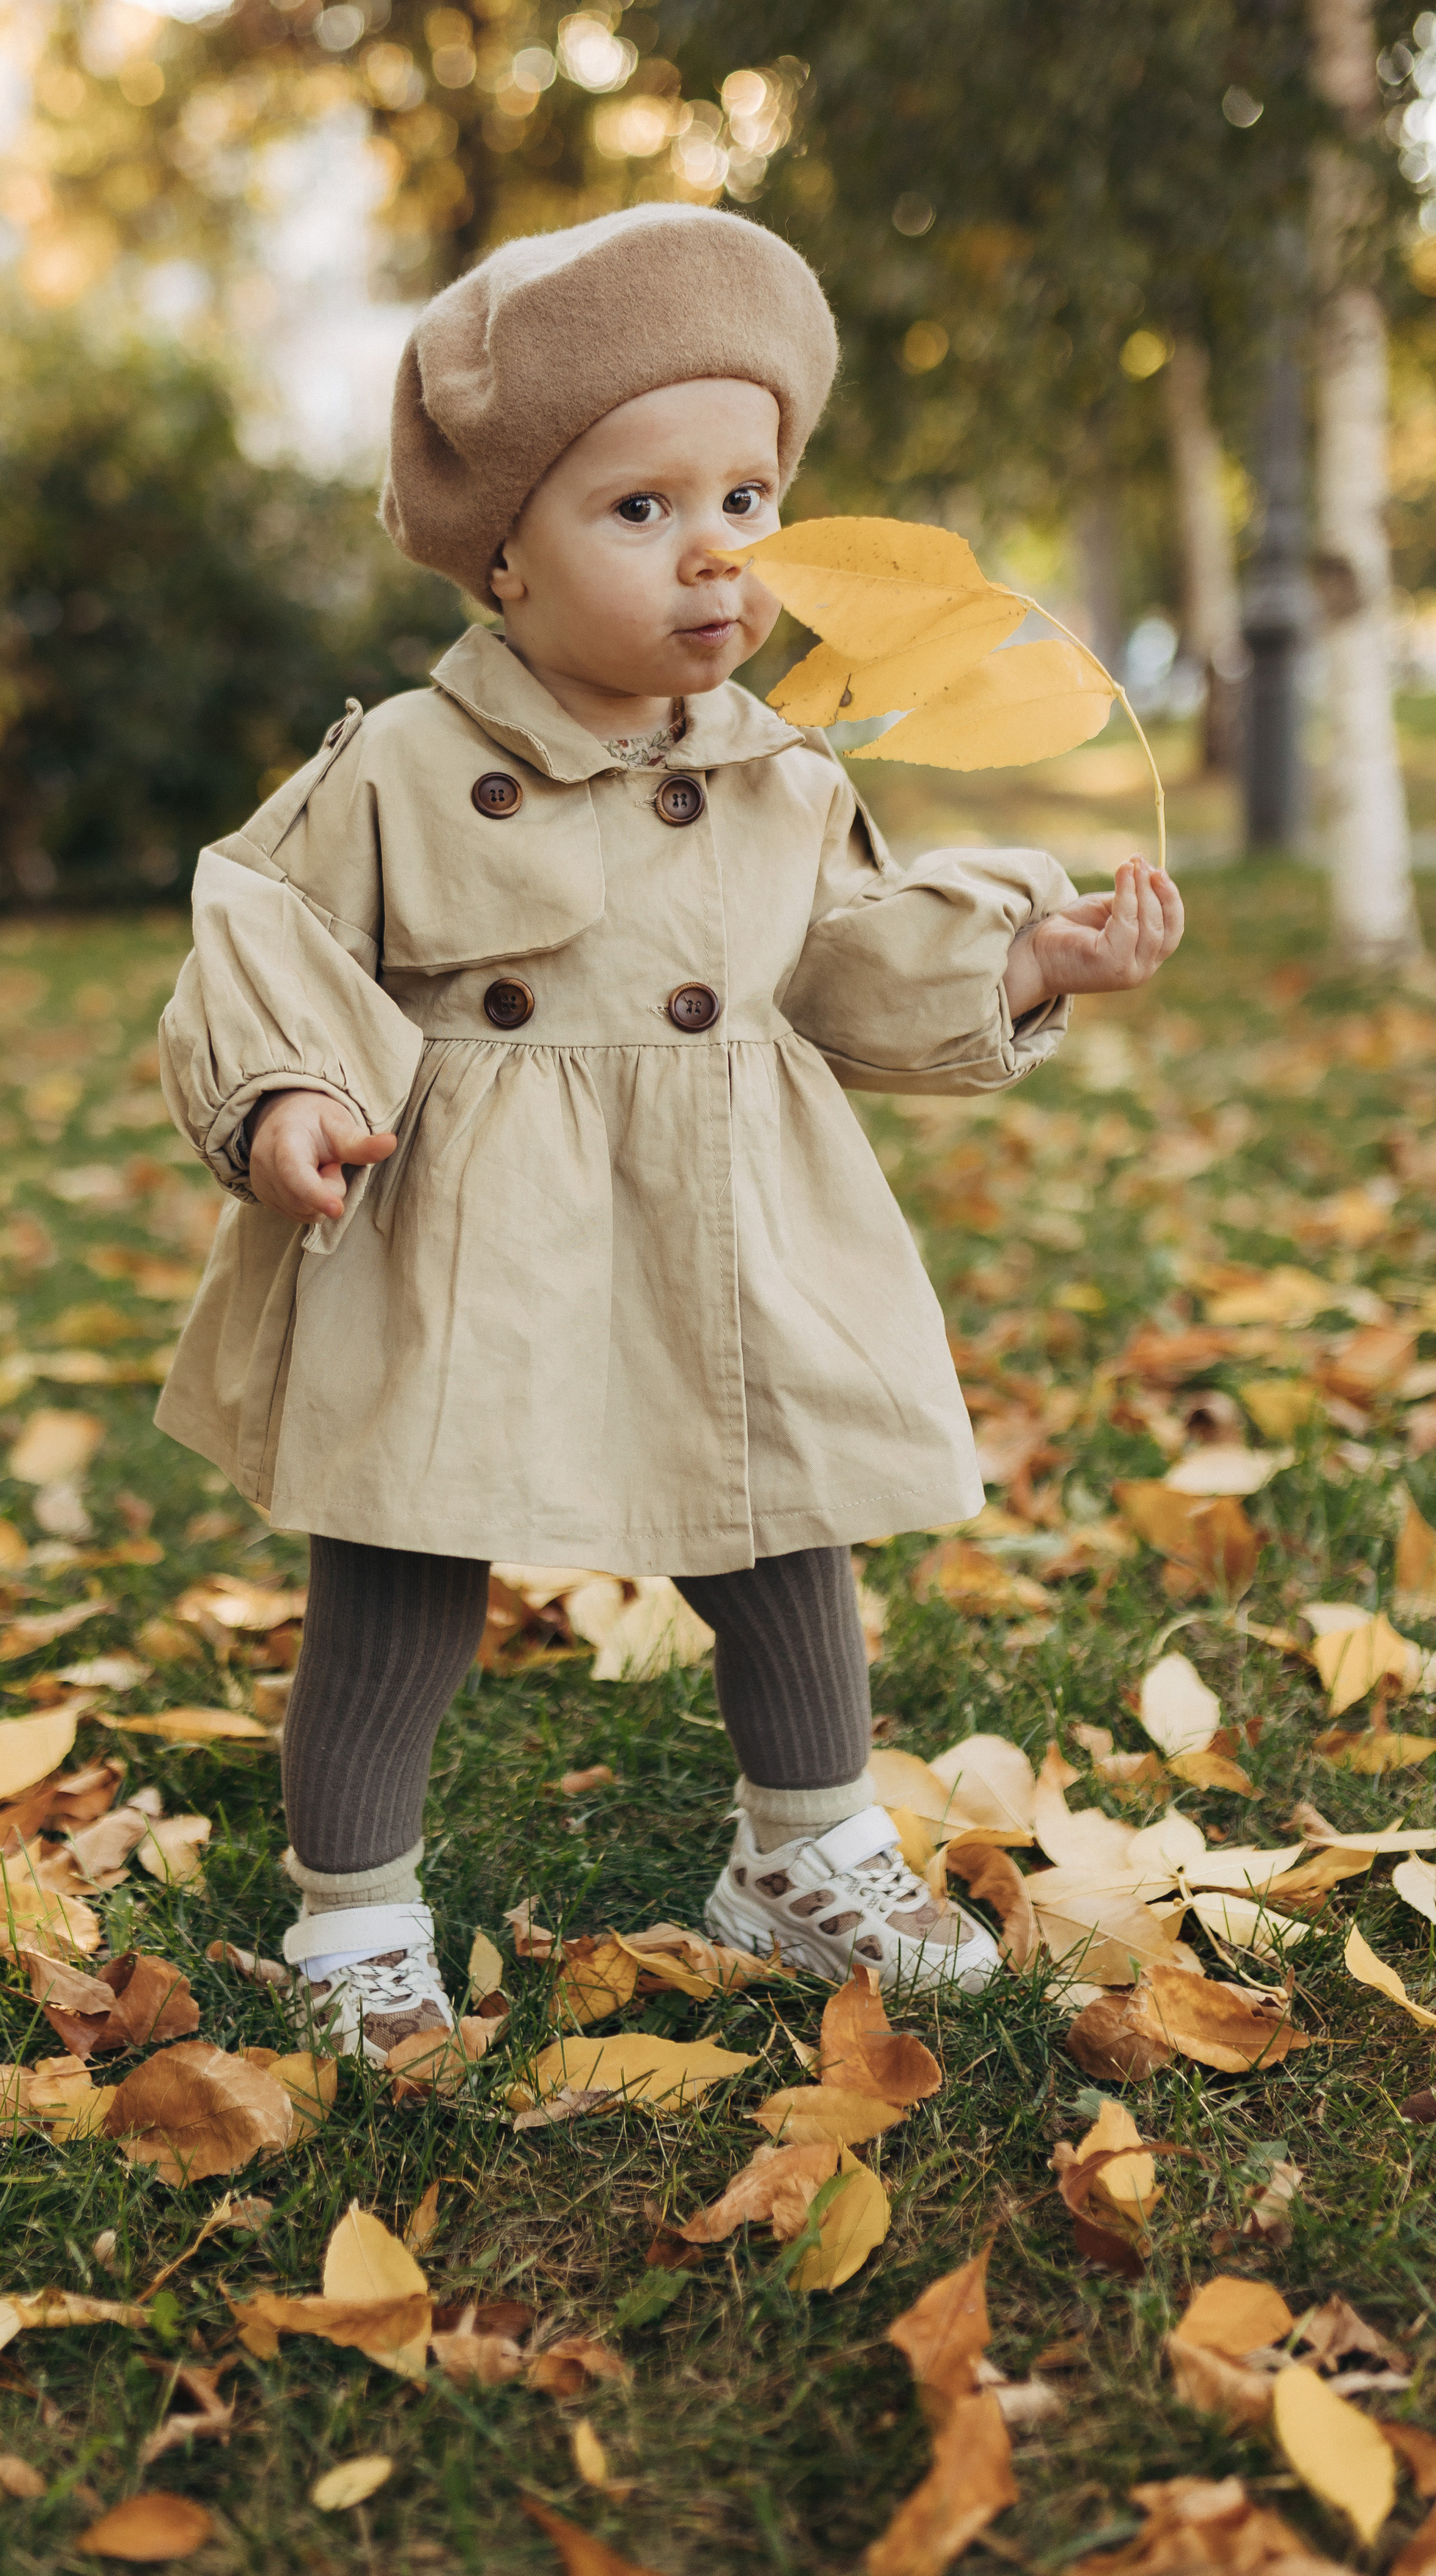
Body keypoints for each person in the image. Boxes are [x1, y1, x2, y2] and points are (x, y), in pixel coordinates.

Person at [155, 205, 1182, 2063]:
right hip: (460, 1213)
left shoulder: (780, 767)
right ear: (503, 560)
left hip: (720, 1214)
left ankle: (803, 1849)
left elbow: (851, 968)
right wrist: (291, 1090)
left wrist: (1025, 957)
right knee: (396, 1562)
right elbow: (271, 925)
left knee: (779, 1528)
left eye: (747, 500)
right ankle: (353, 1920)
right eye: (637, 510)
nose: (712, 553)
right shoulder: (392, 758)